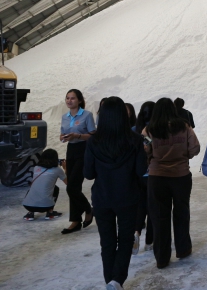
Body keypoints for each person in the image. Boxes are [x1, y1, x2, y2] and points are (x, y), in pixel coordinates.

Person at [84, 97, 147, 290]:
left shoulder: (93, 141)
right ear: (123, 115)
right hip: (128, 197)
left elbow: (88, 173)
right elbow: (140, 171)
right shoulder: (135, 140)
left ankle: (110, 281)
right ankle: (117, 280)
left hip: (102, 198)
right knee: (126, 239)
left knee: (107, 242)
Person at [143, 98, 200, 269]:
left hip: (157, 177)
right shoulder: (184, 127)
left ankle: (162, 258)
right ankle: (183, 249)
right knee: (182, 212)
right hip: (181, 175)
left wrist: (153, 157)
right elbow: (195, 148)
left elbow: (144, 150)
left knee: (159, 216)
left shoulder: (149, 130)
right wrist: (184, 156)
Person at [60, 89, 96, 234]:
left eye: (72, 98)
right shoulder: (65, 116)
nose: (69, 101)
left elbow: (93, 135)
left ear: (79, 100)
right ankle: (75, 221)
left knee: (72, 187)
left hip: (83, 150)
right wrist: (62, 137)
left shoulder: (87, 115)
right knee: (74, 186)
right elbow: (62, 133)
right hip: (71, 150)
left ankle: (88, 209)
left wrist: (78, 136)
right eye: (67, 98)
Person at [133, 101, 155, 254]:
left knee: (141, 205)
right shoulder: (156, 130)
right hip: (153, 172)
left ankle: (136, 232)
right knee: (153, 207)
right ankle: (149, 241)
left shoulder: (134, 130)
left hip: (138, 173)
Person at [22, 149, 66, 220]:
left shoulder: (36, 168)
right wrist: (66, 168)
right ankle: (50, 212)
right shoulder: (57, 169)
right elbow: (68, 183)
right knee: (55, 188)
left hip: (27, 206)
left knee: (34, 188)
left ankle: (30, 214)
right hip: (46, 206)